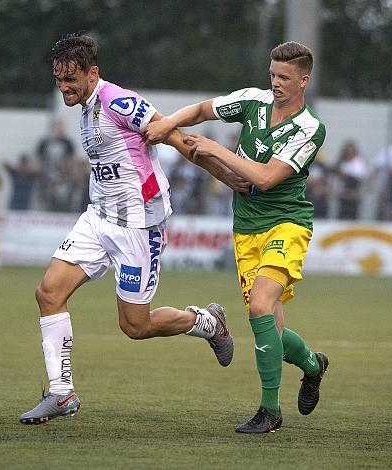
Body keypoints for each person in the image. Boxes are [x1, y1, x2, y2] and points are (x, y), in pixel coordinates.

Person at [19, 33, 247, 425]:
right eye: (59, 80)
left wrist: (226, 176)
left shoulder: (120, 102)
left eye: (70, 79)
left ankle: (207, 322)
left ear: (93, 73)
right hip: (98, 217)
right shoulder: (86, 108)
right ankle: (61, 394)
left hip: (139, 225)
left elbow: (181, 140)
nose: (64, 88)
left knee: (135, 326)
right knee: (48, 292)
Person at [145, 41, 329, 433]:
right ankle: (313, 365)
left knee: (261, 307)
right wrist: (167, 125)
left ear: (303, 80)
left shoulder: (311, 128)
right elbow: (200, 110)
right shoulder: (253, 101)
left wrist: (215, 147)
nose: (276, 83)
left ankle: (270, 412)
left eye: (284, 77)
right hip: (246, 229)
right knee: (271, 331)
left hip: (287, 224)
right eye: (272, 74)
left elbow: (262, 178)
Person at [35, 118, 76, 210]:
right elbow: (38, 156)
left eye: (60, 127)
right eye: (56, 127)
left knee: (62, 197)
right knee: (46, 196)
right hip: (47, 174)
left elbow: (71, 159)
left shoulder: (68, 143)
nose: (58, 130)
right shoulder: (45, 142)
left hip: (62, 176)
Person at [335, 140, 368, 219]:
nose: (349, 154)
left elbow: (362, 177)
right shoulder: (341, 163)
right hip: (343, 195)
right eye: (347, 151)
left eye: (351, 151)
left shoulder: (359, 163)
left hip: (354, 195)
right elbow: (337, 178)